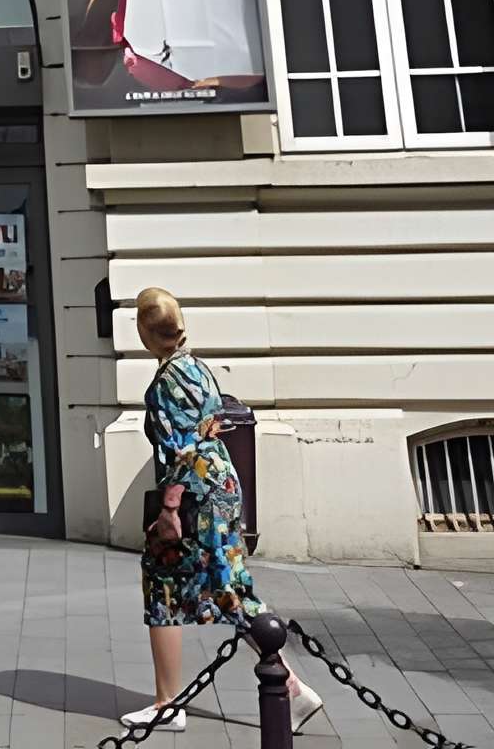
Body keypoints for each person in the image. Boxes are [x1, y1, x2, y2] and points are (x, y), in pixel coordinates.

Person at [125, 287, 320, 733]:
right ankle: (292, 689)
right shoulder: (197, 367)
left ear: (144, 331)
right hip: (222, 485)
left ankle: (168, 704)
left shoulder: (165, 383)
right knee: (228, 586)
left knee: (167, 584)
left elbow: (182, 449)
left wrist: (169, 508)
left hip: (194, 494)